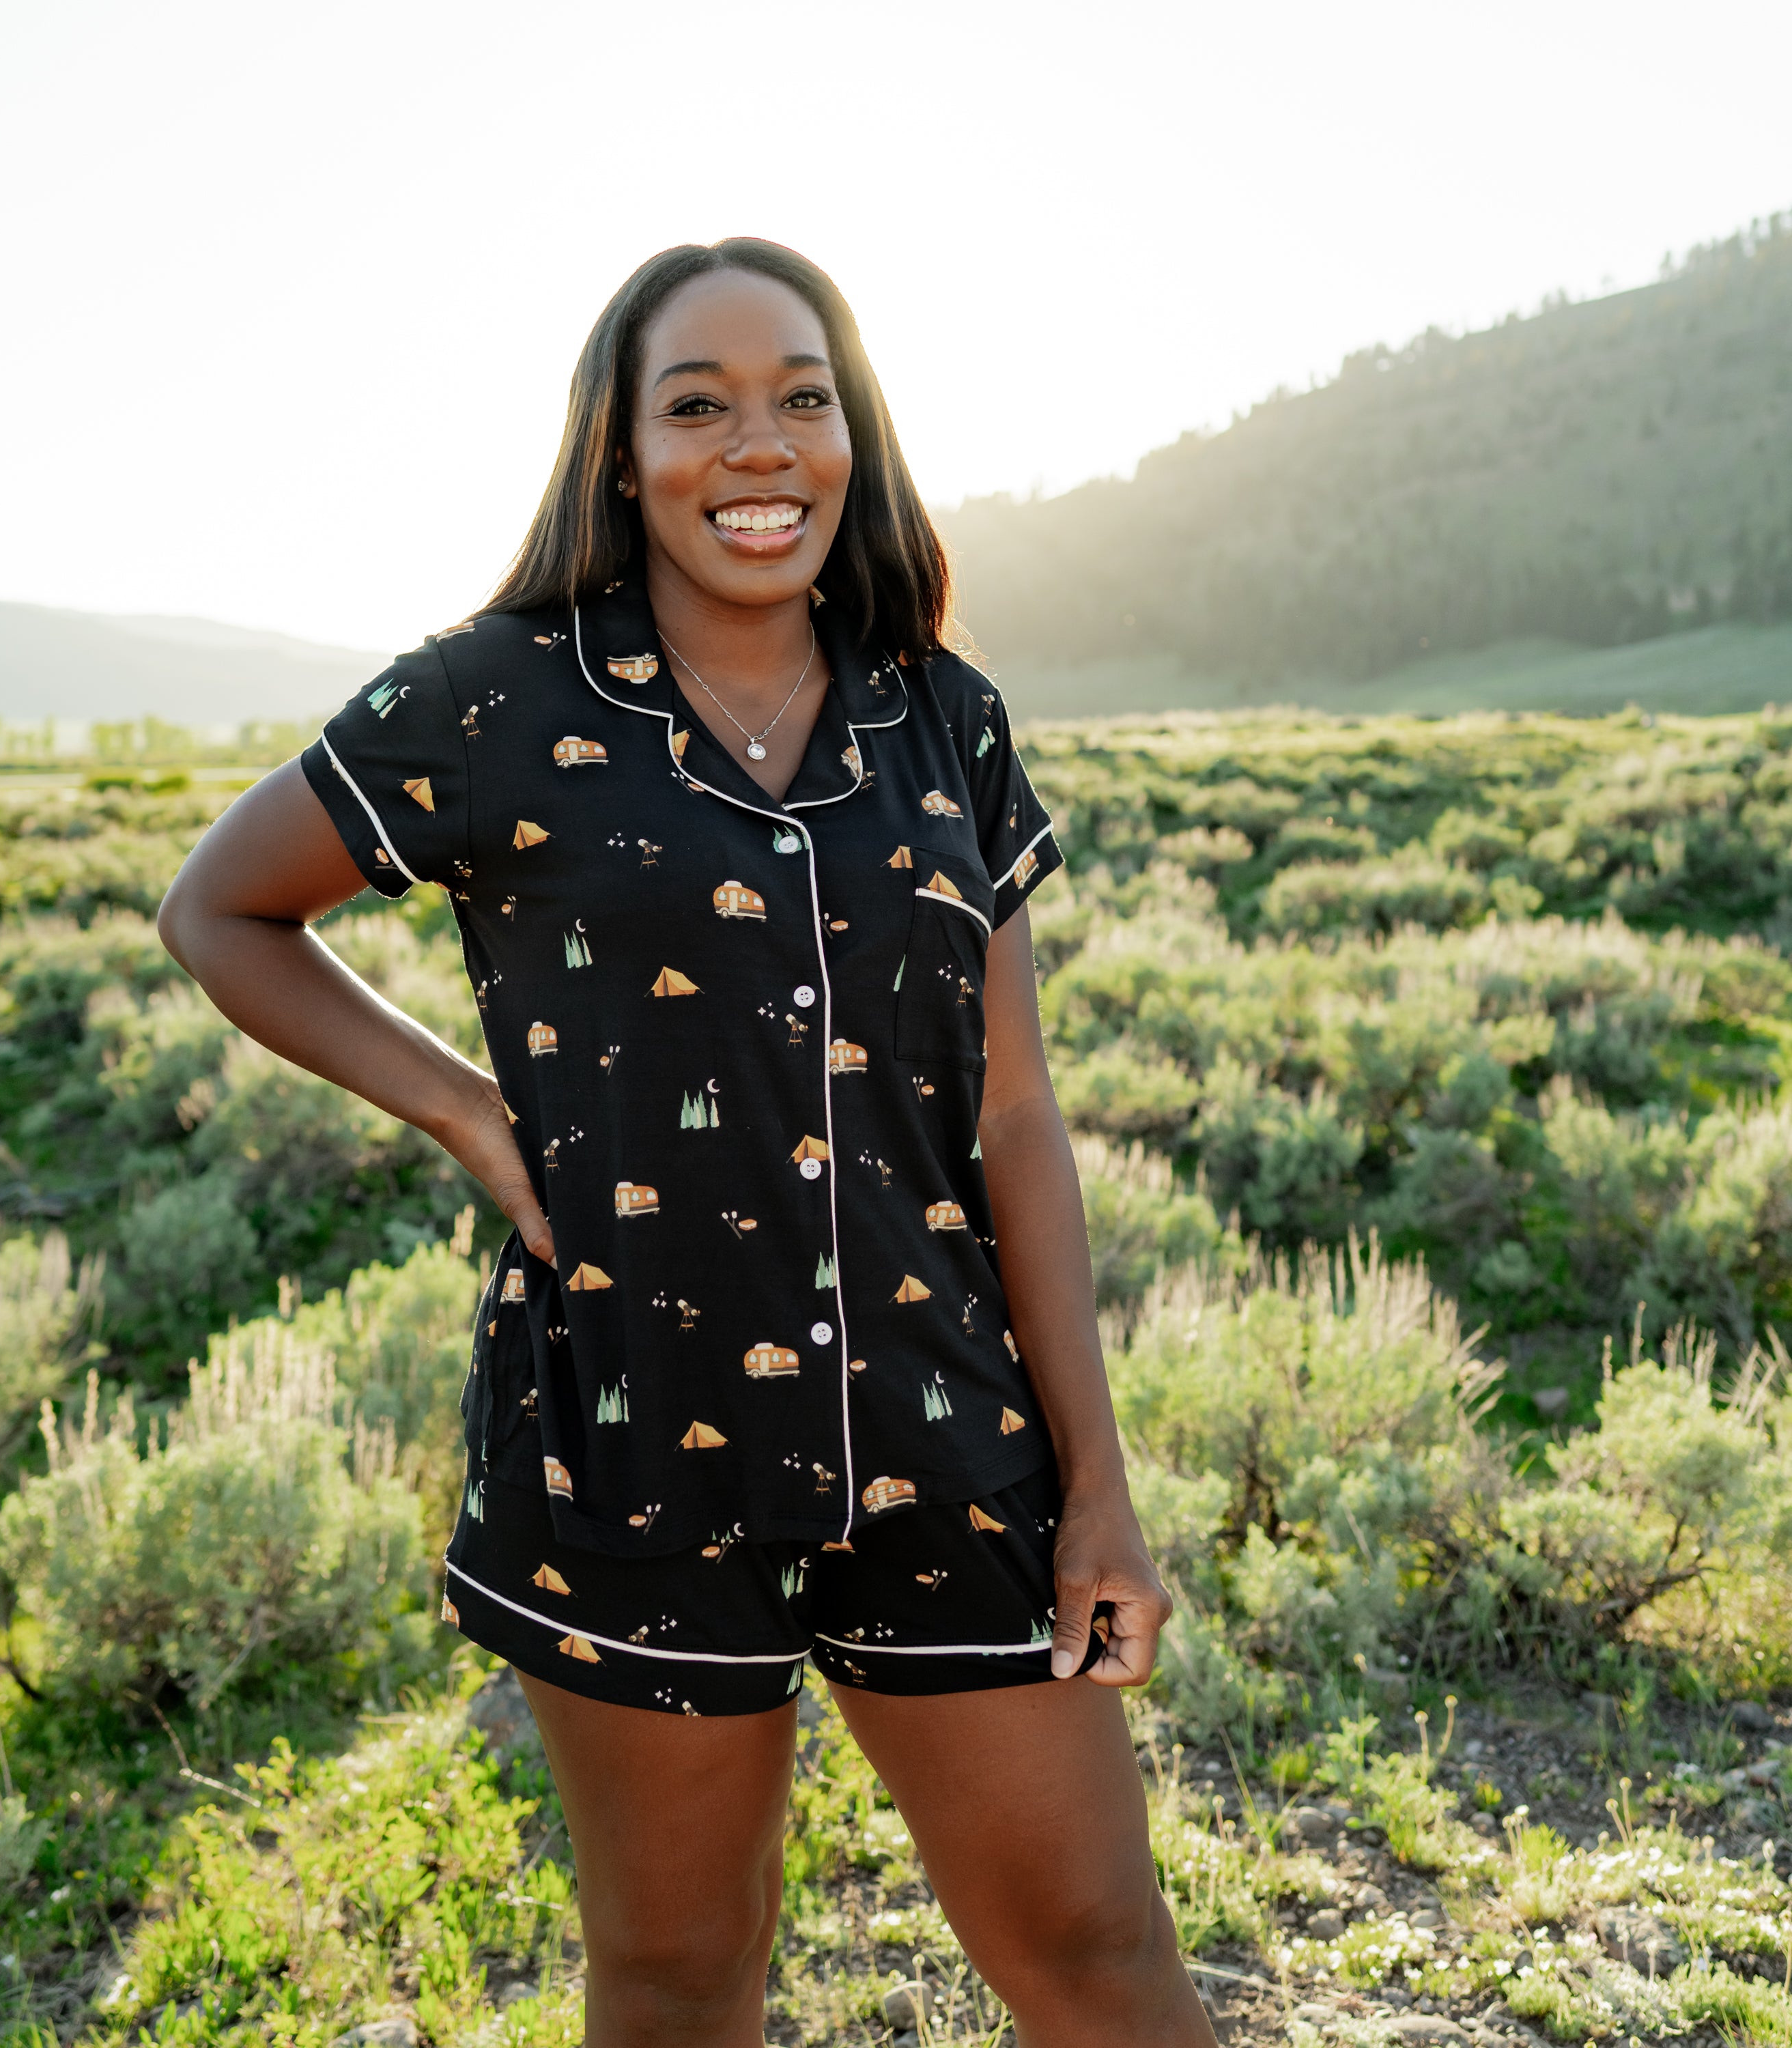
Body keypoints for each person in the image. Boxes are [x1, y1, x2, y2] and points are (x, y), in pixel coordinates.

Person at [159, 238, 1211, 2048]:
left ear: (853, 440)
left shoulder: (944, 720)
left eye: (804, 398)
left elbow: (1015, 1116)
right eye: (701, 403)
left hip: (945, 1433)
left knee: (1100, 1955)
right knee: (678, 1978)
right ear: (621, 453)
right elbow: (223, 912)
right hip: (630, 1440)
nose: (761, 445)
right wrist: (470, 1111)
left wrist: (1098, 1494)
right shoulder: (493, 703)